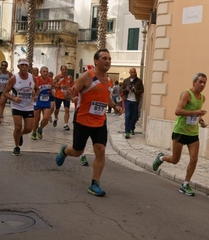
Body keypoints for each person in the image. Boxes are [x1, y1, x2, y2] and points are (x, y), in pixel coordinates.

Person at [55, 48, 123, 196]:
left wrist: (115, 106)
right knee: (77, 151)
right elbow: (70, 93)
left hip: (100, 121)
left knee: (101, 150)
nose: (107, 61)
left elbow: (106, 97)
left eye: (109, 59)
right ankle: (65, 150)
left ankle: (94, 183)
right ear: (96, 61)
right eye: (104, 58)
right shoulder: (87, 77)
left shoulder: (109, 80)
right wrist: (69, 96)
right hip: (82, 120)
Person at [152, 73, 208, 196]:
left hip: (193, 133)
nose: (202, 84)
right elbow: (178, 111)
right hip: (180, 131)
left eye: (204, 82)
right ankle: (161, 158)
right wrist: (196, 112)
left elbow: (197, 115)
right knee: (175, 160)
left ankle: (185, 184)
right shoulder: (187, 94)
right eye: (200, 82)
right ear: (194, 83)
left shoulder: (202, 98)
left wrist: (201, 121)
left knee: (194, 159)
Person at [3, 58, 38, 156]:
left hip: (29, 107)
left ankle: (21, 134)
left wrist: (35, 96)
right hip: (17, 106)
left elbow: (37, 89)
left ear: (28, 67)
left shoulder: (33, 78)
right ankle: (16, 146)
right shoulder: (14, 78)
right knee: (18, 127)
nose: (24, 67)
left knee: (29, 129)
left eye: (26, 65)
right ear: (18, 67)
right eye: (21, 65)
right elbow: (5, 93)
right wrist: (14, 98)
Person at [120, 68, 144, 139]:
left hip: (135, 101)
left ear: (135, 73)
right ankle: (127, 131)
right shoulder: (126, 80)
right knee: (127, 116)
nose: (133, 73)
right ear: (129, 73)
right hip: (128, 100)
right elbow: (121, 89)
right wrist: (126, 89)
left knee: (134, 117)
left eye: (134, 72)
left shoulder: (139, 81)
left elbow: (142, 90)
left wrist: (136, 91)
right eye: (131, 72)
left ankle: (132, 128)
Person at [31, 66, 52, 140]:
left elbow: (51, 89)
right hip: (38, 101)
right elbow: (32, 88)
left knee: (46, 118)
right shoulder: (37, 79)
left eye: (47, 71)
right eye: (44, 71)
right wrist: (34, 94)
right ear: (40, 72)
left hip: (46, 101)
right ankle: (34, 132)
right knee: (36, 118)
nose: (46, 73)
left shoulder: (50, 80)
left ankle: (40, 129)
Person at [52, 65, 71, 130]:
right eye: (63, 69)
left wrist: (69, 89)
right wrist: (59, 86)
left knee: (67, 110)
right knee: (57, 109)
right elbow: (52, 84)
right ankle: (56, 118)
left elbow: (71, 85)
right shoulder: (58, 77)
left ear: (67, 70)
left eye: (65, 69)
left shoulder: (69, 77)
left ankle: (66, 124)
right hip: (58, 95)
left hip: (66, 96)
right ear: (61, 70)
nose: (64, 71)